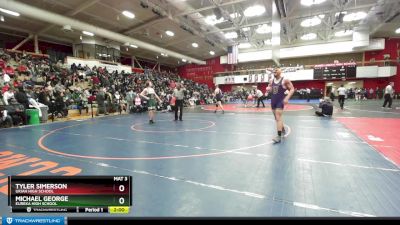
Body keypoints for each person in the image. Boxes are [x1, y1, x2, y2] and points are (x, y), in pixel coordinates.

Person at [266, 68, 295, 144]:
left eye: (276, 70)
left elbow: (292, 89)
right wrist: (269, 89)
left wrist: (287, 98)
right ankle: (282, 129)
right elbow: (271, 89)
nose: (274, 71)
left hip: (280, 101)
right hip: (273, 101)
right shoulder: (271, 81)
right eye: (274, 71)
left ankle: (278, 136)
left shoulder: (285, 80)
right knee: (276, 118)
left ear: (280, 72)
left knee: (278, 117)